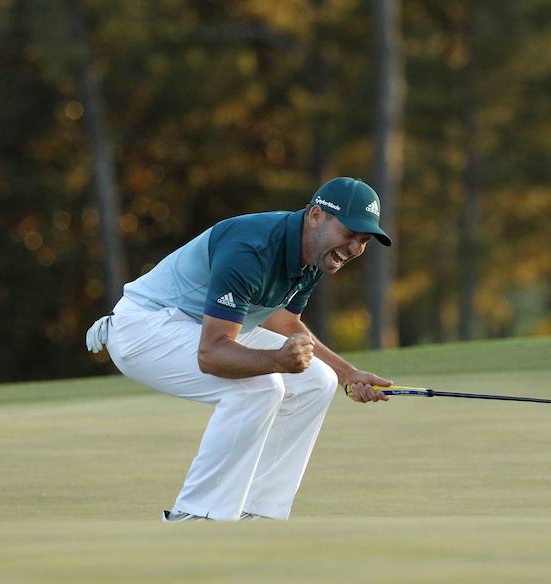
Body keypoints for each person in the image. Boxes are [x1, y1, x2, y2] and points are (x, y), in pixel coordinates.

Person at [85, 177, 393, 522]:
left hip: (198, 328)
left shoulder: (316, 254)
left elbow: (284, 322)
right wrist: (276, 360)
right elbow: (212, 354)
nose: (354, 248)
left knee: (316, 381)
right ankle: (197, 515)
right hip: (144, 328)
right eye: (350, 234)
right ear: (317, 216)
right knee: (260, 386)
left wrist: (345, 374)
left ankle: (260, 515)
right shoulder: (252, 247)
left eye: (363, 241)